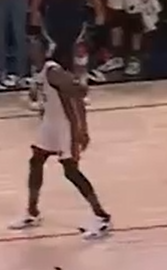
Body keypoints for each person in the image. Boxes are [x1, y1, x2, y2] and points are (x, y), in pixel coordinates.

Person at [9, 42, 113, 241]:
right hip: (49, 124)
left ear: (43, 52)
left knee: (71, 172)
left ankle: (102, 216)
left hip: (65, 126)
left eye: (35, 49)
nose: (31, 52)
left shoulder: (53, 71)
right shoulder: (39, 72)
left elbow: (79, 93)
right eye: (30, 49)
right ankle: (32, 212)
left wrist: (83, 129)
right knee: (36, 161)